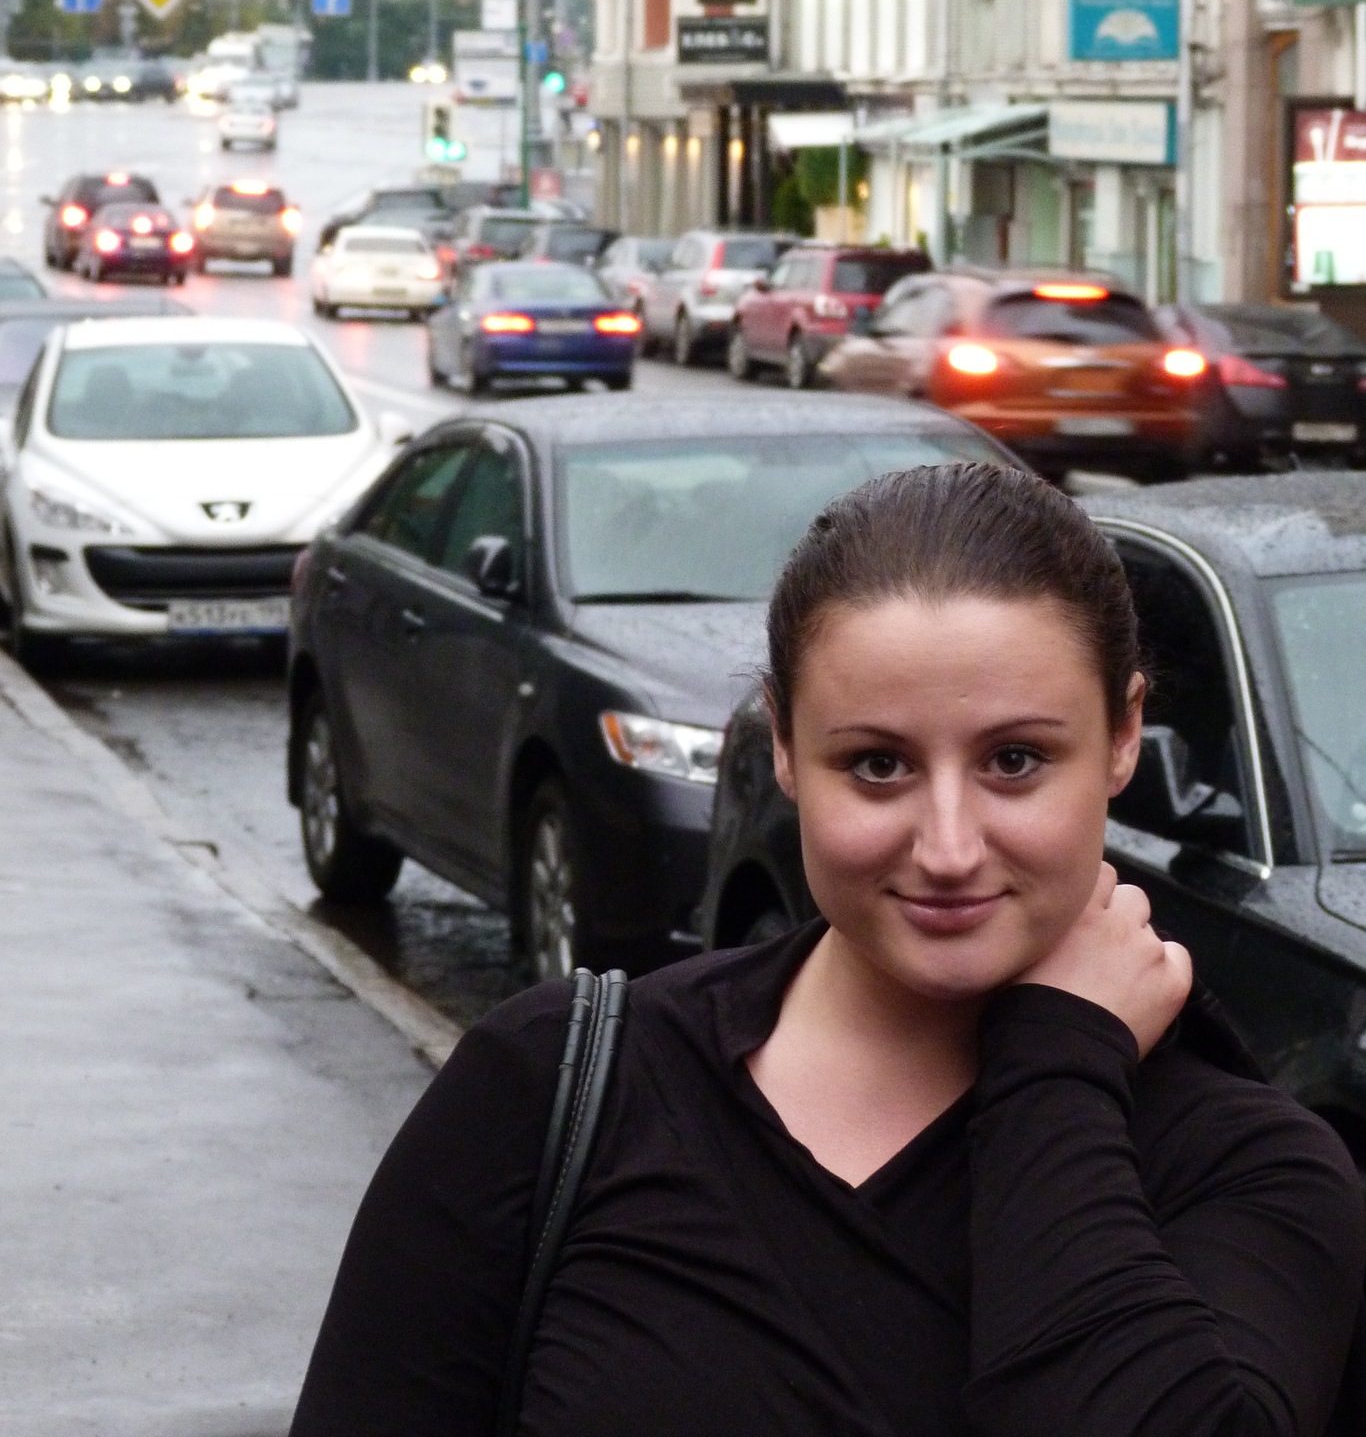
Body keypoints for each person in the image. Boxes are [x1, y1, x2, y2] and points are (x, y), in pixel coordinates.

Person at [290, 462, 1365, 1437]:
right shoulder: (554, 1090)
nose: (948, 848)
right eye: (877, 766)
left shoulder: (1252, 1170)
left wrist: (1055, 1068)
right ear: (785, 745)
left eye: (1015, 760)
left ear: (1123, 736)